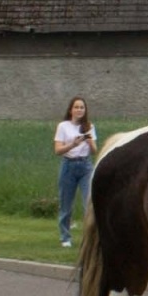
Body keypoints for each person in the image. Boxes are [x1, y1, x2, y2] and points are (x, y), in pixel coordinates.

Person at [54, 96, 97, 247]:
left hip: (85, 166)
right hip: (69, 166)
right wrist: (73, 144)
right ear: (71, 110)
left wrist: (89, 140)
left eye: (82, 108)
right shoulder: (63, 126)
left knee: (89, 203)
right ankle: (65, 237)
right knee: (66, 205)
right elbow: (58, 150)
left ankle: (89, 238)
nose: (79, 110)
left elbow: (94, 151)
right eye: (76, 107)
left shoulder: (89, 126)